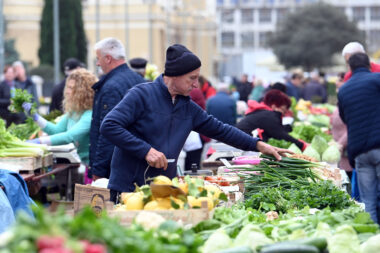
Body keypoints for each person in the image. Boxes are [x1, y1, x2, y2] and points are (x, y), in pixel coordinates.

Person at [100, 43, 291, 200]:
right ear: (174, 75)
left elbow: (221, 130)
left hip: (164, 189)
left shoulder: (188, 108)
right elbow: (109, 126)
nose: (196, 84)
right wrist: (146, 151)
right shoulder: (140, 95)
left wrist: (258, 145)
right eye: (192, 78)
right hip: (128, 189)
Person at [90, 37, 145, 181]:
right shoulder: (139, 80)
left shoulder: (111, 87)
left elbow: (108, 130)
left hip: (116, 166)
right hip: (138, 158)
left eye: (98, 58)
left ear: (108, 58)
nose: (97, 63)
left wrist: (99, 170)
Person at [23, 69, 97, 169]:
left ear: (83, 92)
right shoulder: (74, 111)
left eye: (71, 88)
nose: (66, 91)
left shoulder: (89, 114)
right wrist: (36, 117)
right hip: (74, 164)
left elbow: (69, 137)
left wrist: (38, 141)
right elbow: (56, 130)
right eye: (67, 87)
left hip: (86, 168)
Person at [338, 52, 380, 224]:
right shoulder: (377, 80)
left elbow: (345, 118)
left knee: (367, 201)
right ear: (369, 65)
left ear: (349, 67)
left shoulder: (344, 90)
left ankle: (373, 240)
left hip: (359, 151)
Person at [236, 90, 307, 151]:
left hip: (241, 145)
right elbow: (280, 135)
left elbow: (274, 129)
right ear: (274, 106)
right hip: (239, 147)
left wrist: (288, 128)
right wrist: (302, 145)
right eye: (283, 110)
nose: (283, 114)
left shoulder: (263, 112)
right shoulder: (268, 115)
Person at [330, 72, 353, 179]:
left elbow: (351, 126)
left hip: (347, 151)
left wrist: (340, 144)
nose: (336, 82)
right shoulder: (341, 98)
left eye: (339, 80)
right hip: (342, 152)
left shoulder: (350, 100)